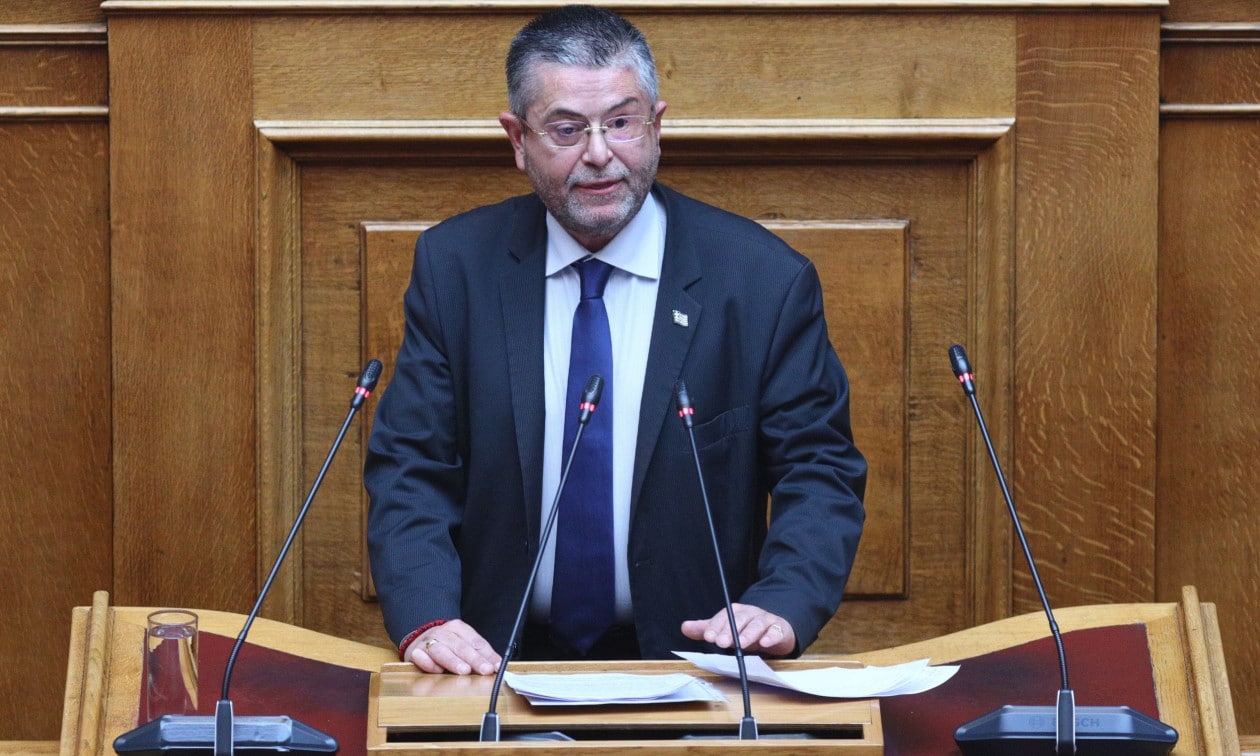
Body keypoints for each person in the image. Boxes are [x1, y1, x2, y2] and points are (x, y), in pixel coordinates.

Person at [365, 4, 866, 676]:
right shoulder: (456, 268)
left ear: (657, 126)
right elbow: (411, 467)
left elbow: (819, 470)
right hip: (489, 666)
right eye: (567, 130)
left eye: (622, 123)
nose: (599, 154)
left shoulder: (762, 282)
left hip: (696, 666)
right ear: (517, 140)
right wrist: (428, 616)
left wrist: (781, 603)